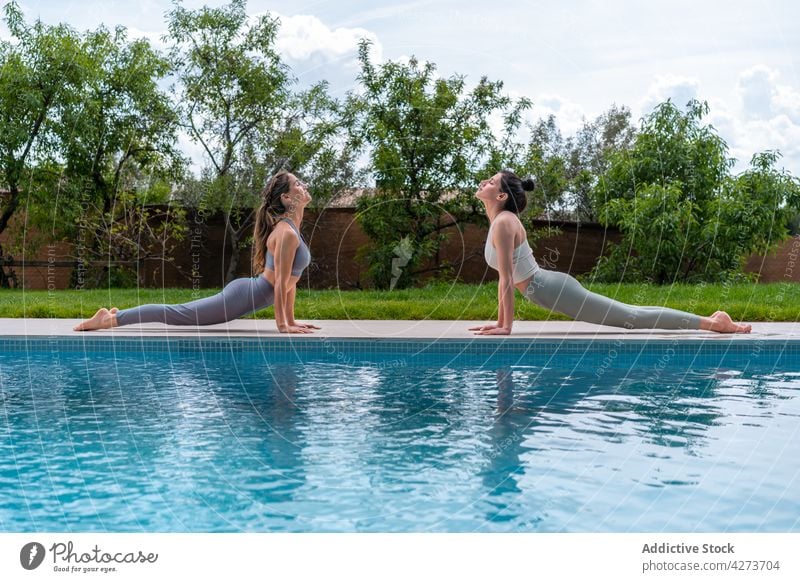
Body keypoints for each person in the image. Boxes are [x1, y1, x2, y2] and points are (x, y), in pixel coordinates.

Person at [469, 170, 752, 335]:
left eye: (491, 182)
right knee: (633, 314)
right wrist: (501, 323)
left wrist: (505, 326)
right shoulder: (499, 221)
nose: (484, 182)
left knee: (632, 319)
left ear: (502, 196)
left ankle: (715, 324)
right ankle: (713, 321)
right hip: (546, 290)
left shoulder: (504, 223)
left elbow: (506, 279)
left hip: (552, 290)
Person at [73, 171, 320, 334]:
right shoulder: (286, 233)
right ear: (287, 198)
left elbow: (289, 283)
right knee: (179, 314)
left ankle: (117, 315)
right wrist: (282, 325)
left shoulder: (291, 230)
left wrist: (291, 320)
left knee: (179, 313)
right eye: (298, 183)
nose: (304, 184)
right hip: (243, 297)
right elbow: (279, 285)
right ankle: (108, 319)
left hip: (250, 293)